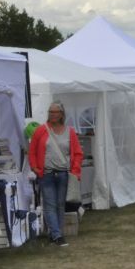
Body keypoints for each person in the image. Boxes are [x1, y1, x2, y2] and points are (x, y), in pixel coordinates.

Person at [28, 100, 83, 245]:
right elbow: (32, 151)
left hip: (63, 174)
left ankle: (55, 234)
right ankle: (58, 235)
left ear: (61, 114)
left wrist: (75, 170)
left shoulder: (70, 132)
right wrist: (35, 167)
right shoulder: (41, 130)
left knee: (60, 205)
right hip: (46, 174)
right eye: (50, 112)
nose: (52, 114)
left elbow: (78, 153)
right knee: (50, 204)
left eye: (55, 112)